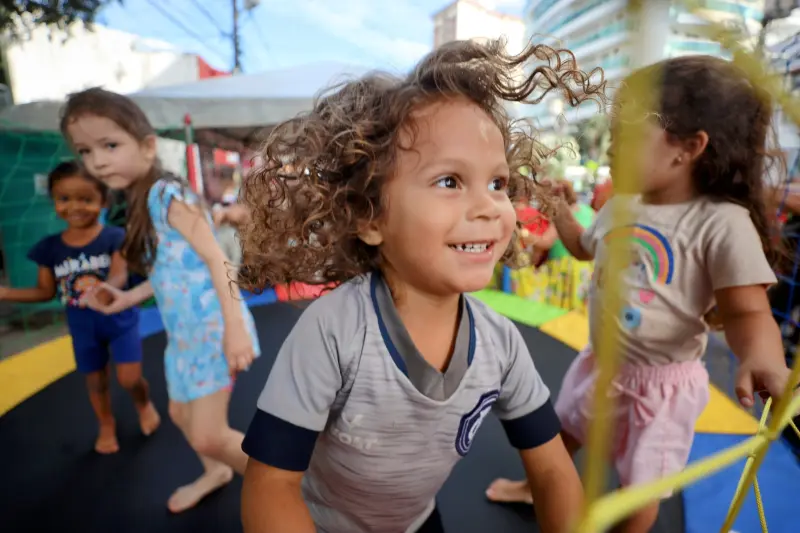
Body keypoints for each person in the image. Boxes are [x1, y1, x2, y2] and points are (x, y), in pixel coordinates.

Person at [236, 38, 606, 533]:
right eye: (450, 181)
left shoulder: (500, 345)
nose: (490, 207)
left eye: (498, 183)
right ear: (370, 217)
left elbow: (554, 468)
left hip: (418, 523)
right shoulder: (335, 332)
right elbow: (270, 485)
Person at [485, 55, 795, 533]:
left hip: (663, 389)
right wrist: (564, 212)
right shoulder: (619, 205)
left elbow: (747, 310)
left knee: (642, 486)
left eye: (626, 136)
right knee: (562, 433)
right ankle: (536, 488)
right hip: (601, 362)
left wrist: (762, 356)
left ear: (687, 148)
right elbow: (583, 248)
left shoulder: (719, 223)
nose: (611, 147)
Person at [59, 88, 261, 514]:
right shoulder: (138, 203)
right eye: (85, 150)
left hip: (213, 326)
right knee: (180, 416)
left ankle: (297, 489)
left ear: (148, 146)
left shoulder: (166, 195)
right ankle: (217, 471)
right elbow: (171, 271)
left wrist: (236, 329)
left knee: (209, 432)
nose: (97, 160)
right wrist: (127, 296)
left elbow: (215, 256)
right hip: (184, 334)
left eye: (110, 145)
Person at [0, 161, 159, 454]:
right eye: (64, 199)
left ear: (103, 200)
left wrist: (106, 289)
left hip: (119, 318)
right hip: (82, 323)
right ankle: (105, 423)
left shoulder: (114, 237)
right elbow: (44, 291)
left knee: (130, 377)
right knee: (95, 379)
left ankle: (143, 403)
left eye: (85, 199)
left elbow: (120, 274)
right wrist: (6, 292)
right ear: (54, 201)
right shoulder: (49, 248)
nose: (75, 206)